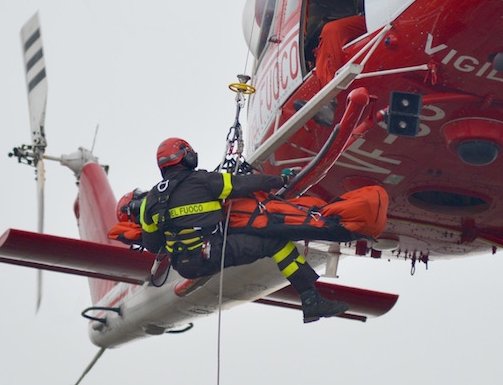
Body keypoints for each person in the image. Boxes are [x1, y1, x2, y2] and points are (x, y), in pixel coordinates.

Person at [136, 137, 351, 323]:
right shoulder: (202, 180)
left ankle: (311, 300)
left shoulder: (151, 200)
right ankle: (311, 300)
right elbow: (243, 184)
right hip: (211, 254)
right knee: (277, 243)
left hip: (183, 267)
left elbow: (153, 245)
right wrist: (280, 180)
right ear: (186, 157)